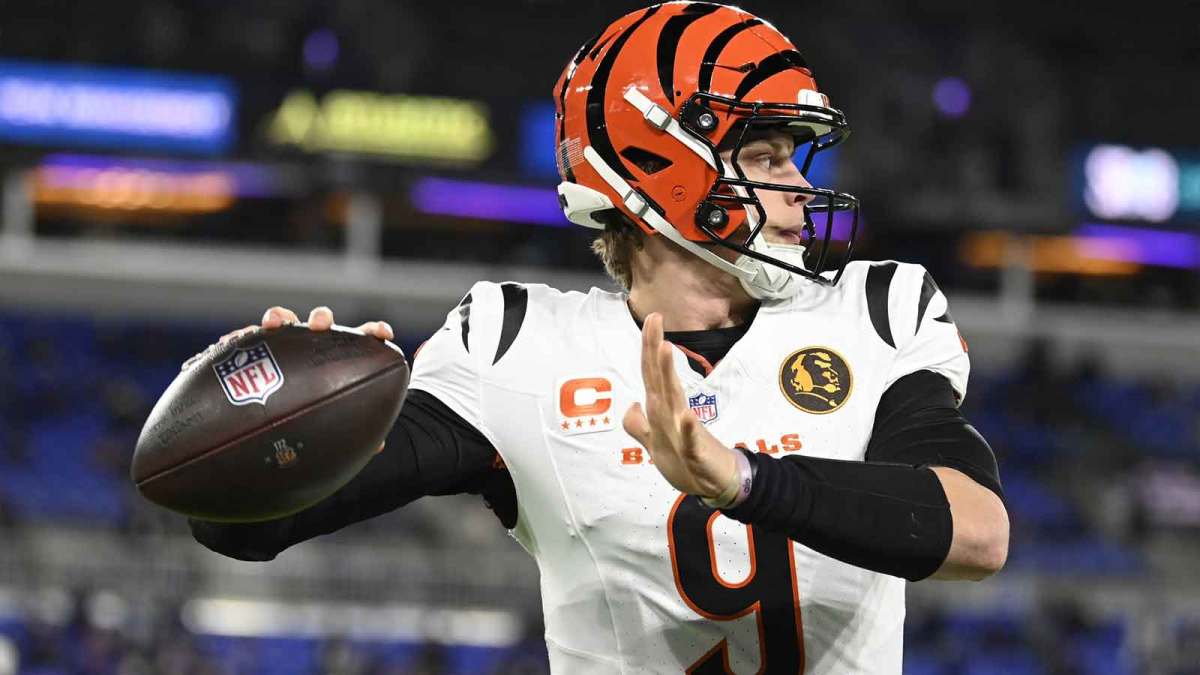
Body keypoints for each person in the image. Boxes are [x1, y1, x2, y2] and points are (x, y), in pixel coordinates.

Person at [190, 3, 1009, 672]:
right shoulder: (515, 345)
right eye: (766, 157)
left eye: (795, 159)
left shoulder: (876, 309)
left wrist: (743, 480)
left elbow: (977, 532)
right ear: (664, 167)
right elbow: (246, 528)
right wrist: (258, 422)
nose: (801, 189)